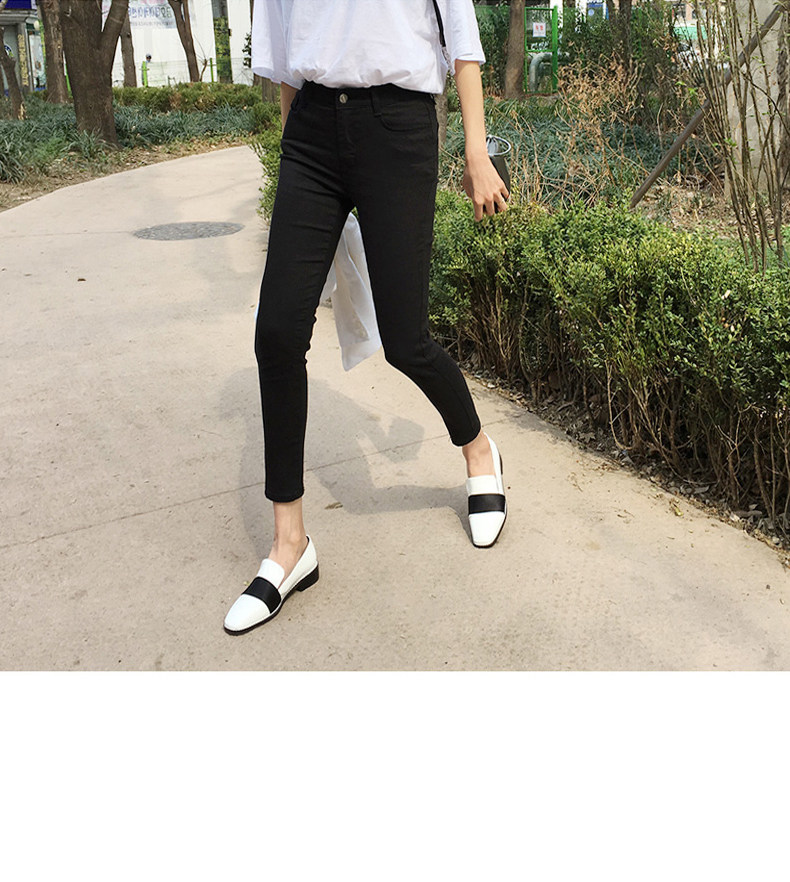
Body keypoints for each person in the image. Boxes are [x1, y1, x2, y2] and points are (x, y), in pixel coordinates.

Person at [224, 0, 510, 635]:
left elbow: (462, 45)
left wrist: (476, 151)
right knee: (277, 333)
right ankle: (290, 545)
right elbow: (286, 63)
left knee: (406, 339)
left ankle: (478, 449)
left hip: (398, 129)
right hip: (310, 135)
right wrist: (295, 164)